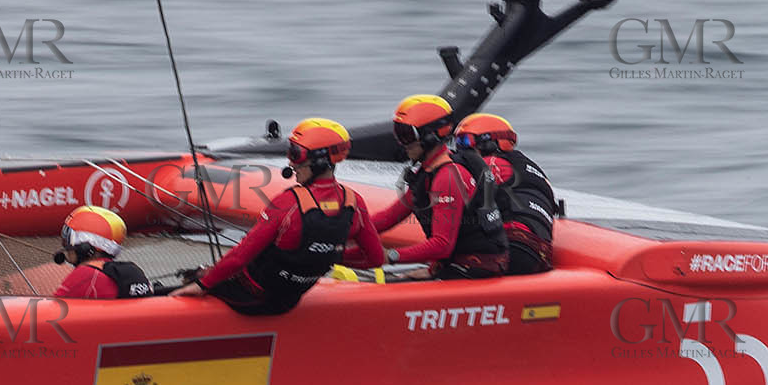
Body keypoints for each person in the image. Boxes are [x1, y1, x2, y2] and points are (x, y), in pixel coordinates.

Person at [172, 117, 380, 314]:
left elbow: (241, 255)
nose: (291, 163)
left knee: (192, 278)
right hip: (289, 301)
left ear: (319, 160)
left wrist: (202, 284)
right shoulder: (354, 202)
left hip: (251, 298)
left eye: (296, 154)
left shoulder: (289, 203)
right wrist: (327, 258)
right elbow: (375, 258)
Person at [367, 95, 508, 279]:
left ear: (430, 136)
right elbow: (389, 217)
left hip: (477, 266)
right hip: (452, 262)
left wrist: (392, 256)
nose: (403, 143)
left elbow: (442, 244)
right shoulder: (427, 172)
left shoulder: (448, 177)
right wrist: (346, 234)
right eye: (399, 134)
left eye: (407, 135)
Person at [454, 113, 558, 275]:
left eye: (466, 142)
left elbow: (453, 189)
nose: (461, 149)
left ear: (489, 143)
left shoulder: (493, 164)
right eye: (458, 143)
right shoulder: (532, 170)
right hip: (539, 254)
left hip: (513, 250)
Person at [53, 205, 154, 298]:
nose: (66, 246)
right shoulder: (127, 273)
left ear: (85, 245)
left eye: (69, 238)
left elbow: (52, 309)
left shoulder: (86, 274)